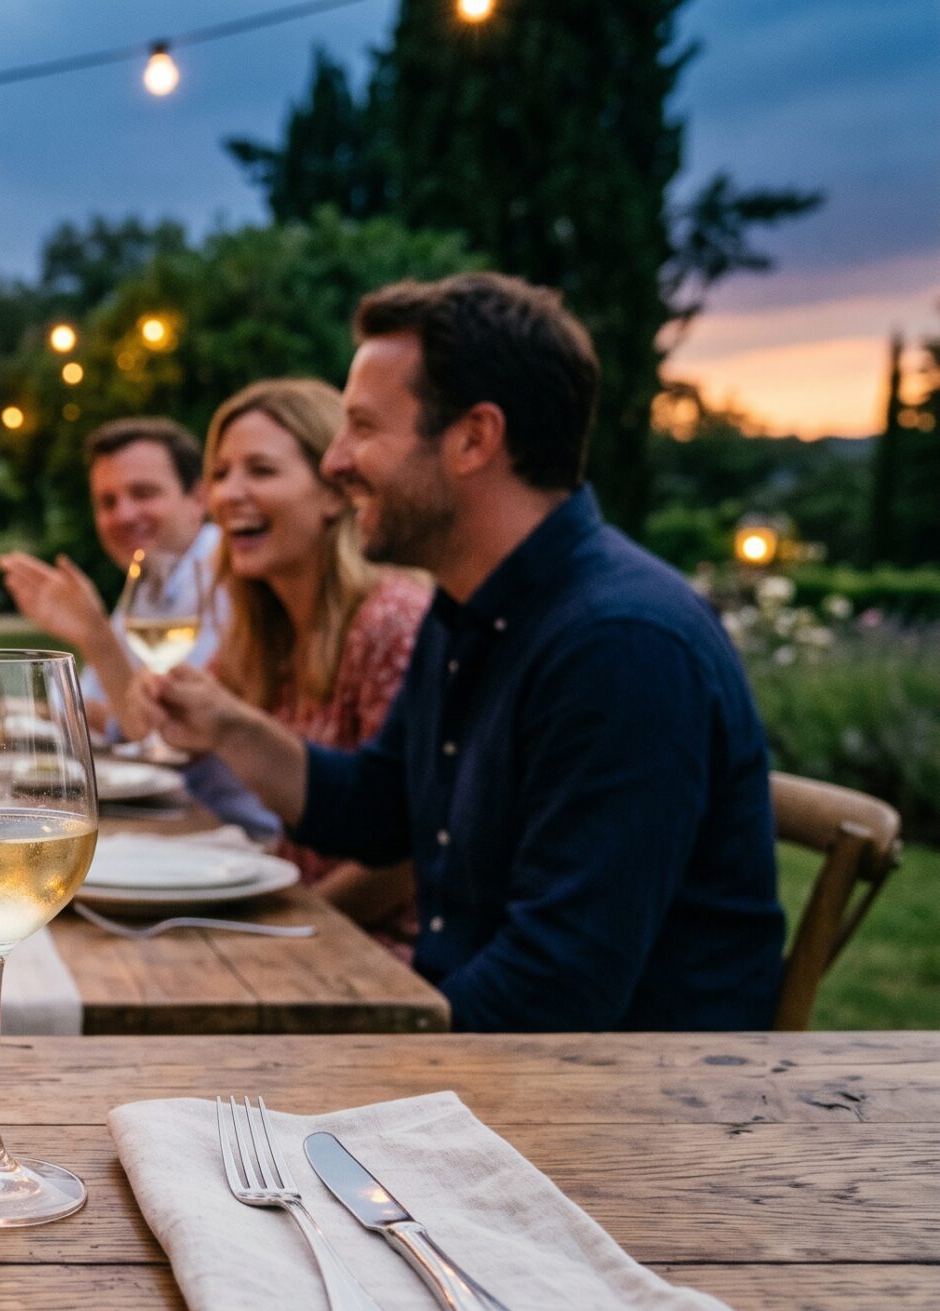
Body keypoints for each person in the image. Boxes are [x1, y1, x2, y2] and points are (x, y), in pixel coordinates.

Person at [138, 274, 785, 1032]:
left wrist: (343, 1053)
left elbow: (554, 989)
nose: (338, 461)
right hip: (483, 1057)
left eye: (363, 428)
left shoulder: (620, 646)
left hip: (623, 1112)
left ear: (475, 438)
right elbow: (378, 810)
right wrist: (228, 725)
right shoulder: (468, 607)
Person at [199, 378, 431, 956]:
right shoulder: (265, 631)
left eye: (261, 470)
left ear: (335, 492)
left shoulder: (391, 622)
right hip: (301, 926)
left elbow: (403, 858)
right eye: (221, 472)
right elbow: (165, 723)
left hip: (381, 958)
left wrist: (291, 931)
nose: (229, 493)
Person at [0, 417, 217, 734]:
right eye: (107, 502)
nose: (124, 515)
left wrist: (96, 635)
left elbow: (173, 728)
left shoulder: (224, 572)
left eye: (144, 493)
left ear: (198, 499)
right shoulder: (146, 585)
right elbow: (84, 709)